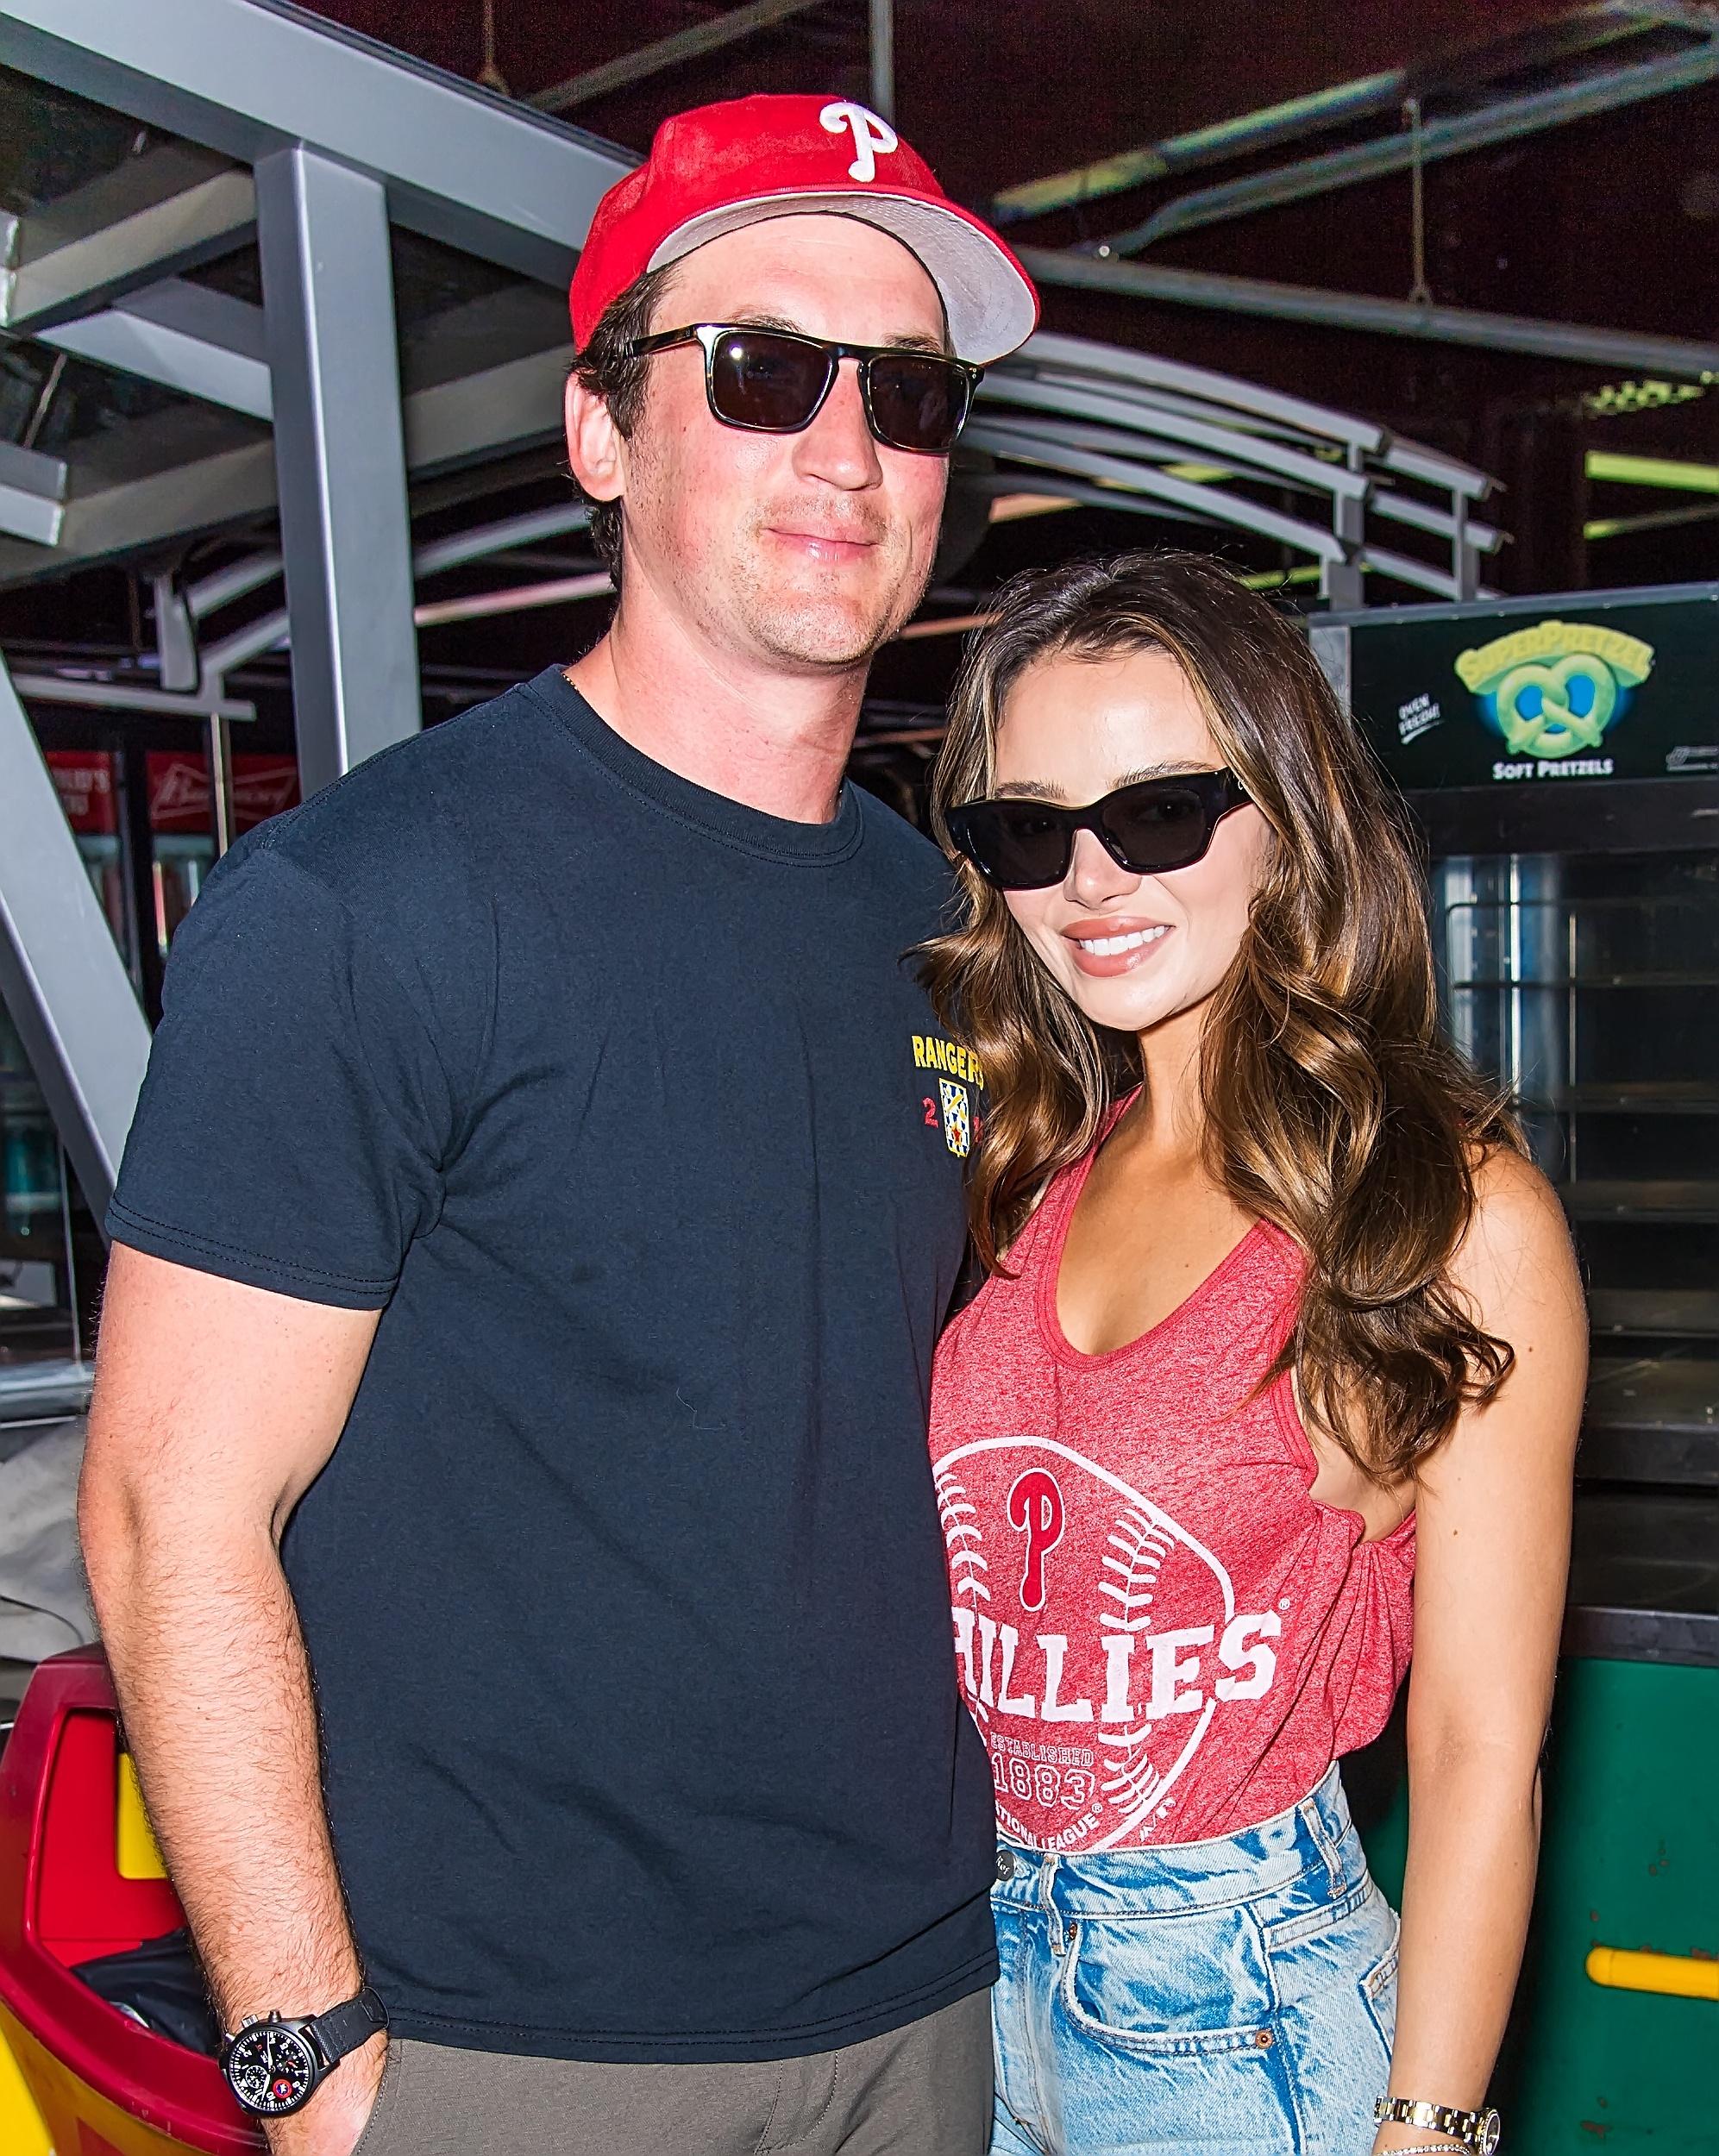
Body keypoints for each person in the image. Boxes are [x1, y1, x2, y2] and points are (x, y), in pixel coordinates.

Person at [78, 95, 1038, 2156]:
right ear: (603, 433)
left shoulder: (942, 924)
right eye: (765, 371)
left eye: (911, 391)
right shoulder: (364, 908)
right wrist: (309, 2065)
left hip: (920, 1997)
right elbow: (171, 1514)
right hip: (512, 2056)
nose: (848, 449)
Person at [919, 552, 1586, 2156]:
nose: (1089, 881)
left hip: (1241, 2014)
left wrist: (1425, 2128)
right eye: (1028, 829)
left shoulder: (1440, 1210)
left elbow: (1481, 1751)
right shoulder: (1020, 1168)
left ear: (1284, 817)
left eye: (1156, 814)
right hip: (961, 1973)